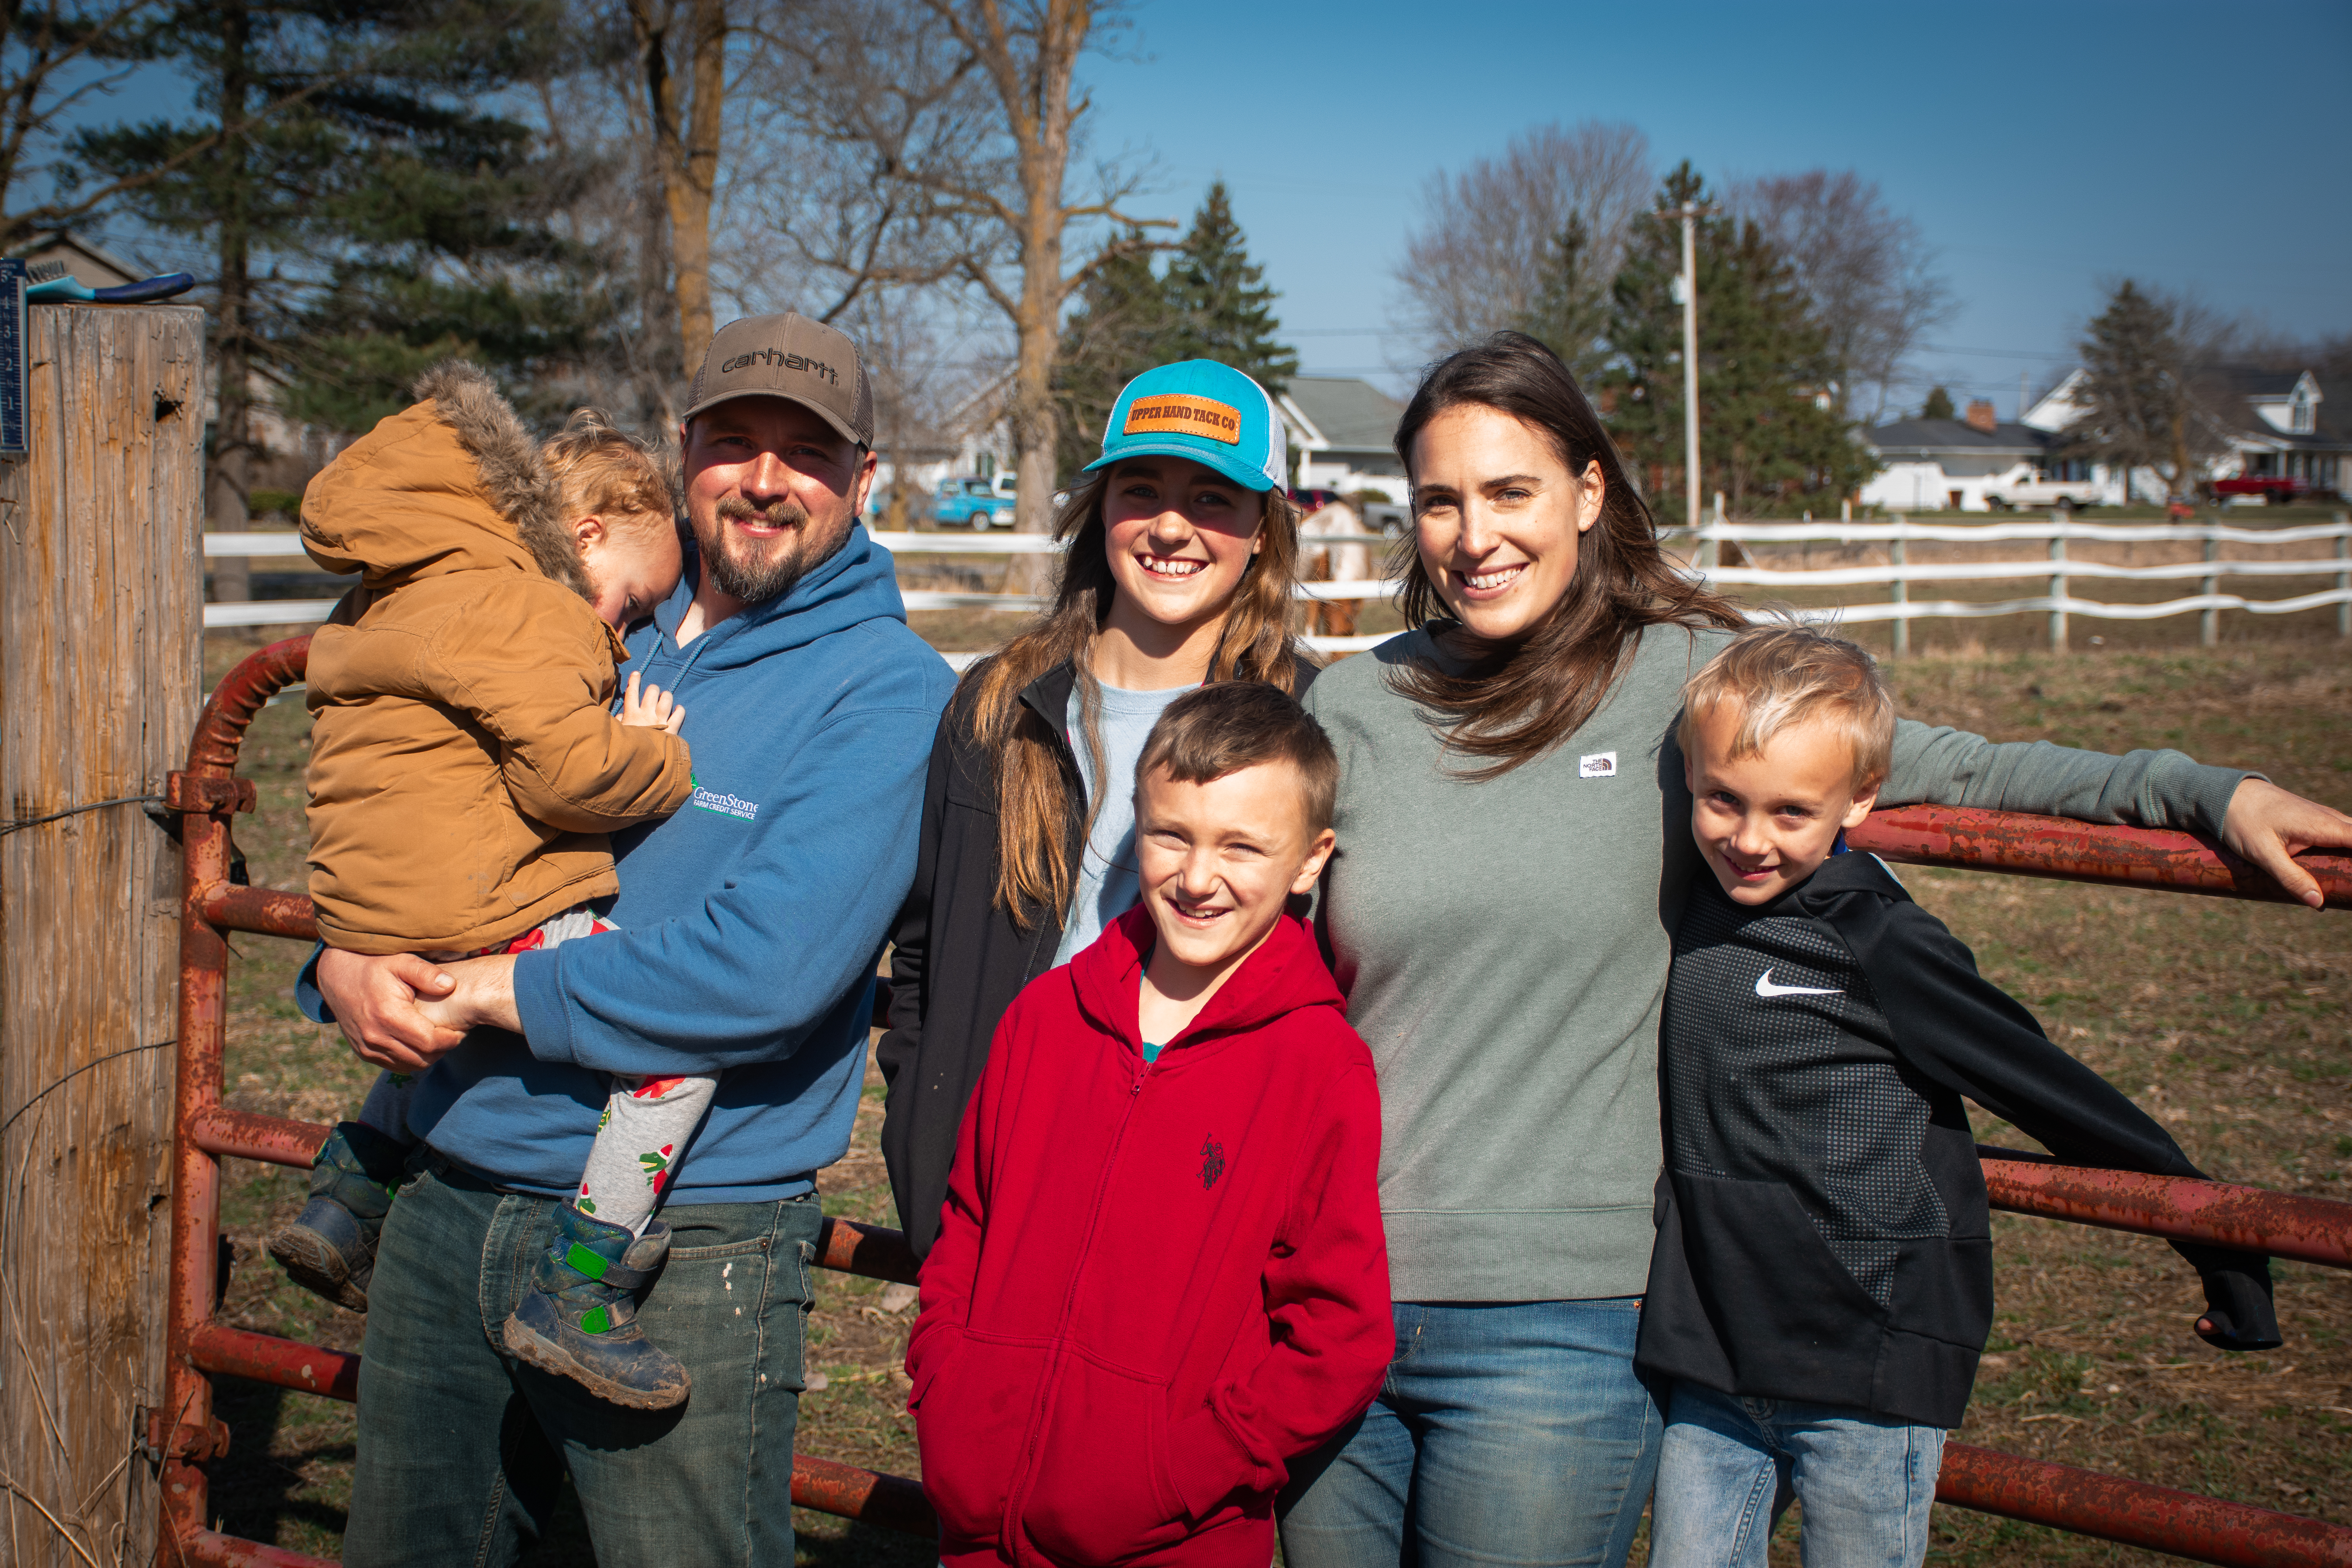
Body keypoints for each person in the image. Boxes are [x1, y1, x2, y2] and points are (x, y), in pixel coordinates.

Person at [1278, 332, 2352, 1568]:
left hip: (1561, 1319)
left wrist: (2200, 792)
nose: (1477, 535)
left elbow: (1943, 762)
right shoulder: (1354, 706)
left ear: (1587, 494)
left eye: (1512, 491)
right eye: (1441, 500)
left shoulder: (1685, 683)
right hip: (1332, 1298)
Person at [304, 312, 957, 1568]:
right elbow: (405, 797)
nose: (764, 479)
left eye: (806, 452)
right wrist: (340, 958)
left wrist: (493, 990)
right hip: (451, 1188)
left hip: (685, 1238)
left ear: (863, 479)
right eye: (733, 441)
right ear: (681, 452)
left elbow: (764, 972)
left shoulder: (883, 690)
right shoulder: (581, 612)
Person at [1637, 623, 2278, 1568]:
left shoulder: (1879, 940)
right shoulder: (1687, 899)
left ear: (1861, 797)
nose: (1749, 839)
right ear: (1690, 773)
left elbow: (2052, 1088)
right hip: (1712, 1347)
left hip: (1869, 1352)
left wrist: (2220, 1241)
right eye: (1723, 800)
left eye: (1790, 812)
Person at [272, 376, 717, 1411]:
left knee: (438, 995)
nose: (623, 630)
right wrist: (657, 758)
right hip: (471, 895)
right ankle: (583, 1282)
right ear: (585, 532)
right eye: (632, 600)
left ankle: (349, 1185)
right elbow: (564, 777)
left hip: (371, 894)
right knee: (675, 1052)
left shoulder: (411, 574)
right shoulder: (536, 608)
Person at [911, 682, 1392, 1566]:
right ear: (1139, 825)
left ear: (1311, 859)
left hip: (1172, 1536)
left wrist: (1178, 1468)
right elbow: (969, 1228)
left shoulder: (1316, 1062)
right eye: (1173, 835)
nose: (1198, 876)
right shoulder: (1046, 1017)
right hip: (978, 1525)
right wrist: (949, 1388)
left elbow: (1338, 1328)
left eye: (1243, 846)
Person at [878, 358, 1318, 1259]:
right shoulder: (999, 705)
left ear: (1262, 531)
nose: (1170, 525)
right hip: (1000, 1177)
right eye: (1141, 488)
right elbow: (926, 955)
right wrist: (924, 1154)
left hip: (1195, 1192)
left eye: (1212, 499)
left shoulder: (1308, 721)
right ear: (1100, 510)